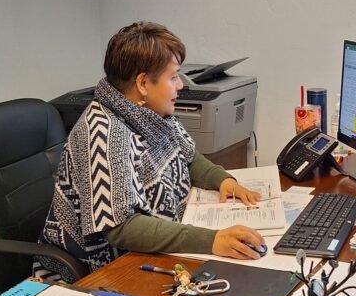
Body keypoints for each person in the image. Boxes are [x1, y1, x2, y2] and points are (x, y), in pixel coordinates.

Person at [37, 22, 263, 282]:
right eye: (174, 77)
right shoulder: (103, 133)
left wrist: (222, 180)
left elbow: (187, 156)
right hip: (100, 273)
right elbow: (122, 228)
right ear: (143, 83)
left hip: (151, 253)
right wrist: (212, 240)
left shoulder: (151, 114)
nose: (180, 86)